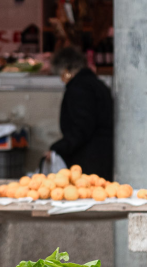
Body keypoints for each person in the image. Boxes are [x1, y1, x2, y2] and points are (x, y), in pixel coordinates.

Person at [48, 46, 114, 179]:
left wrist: (58, 148)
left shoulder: (79, 88)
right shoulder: (96, 84)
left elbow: (81, 128)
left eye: (61, 74)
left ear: (67, 70)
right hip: (102, 156)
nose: (62, 79)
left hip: (89, 159)